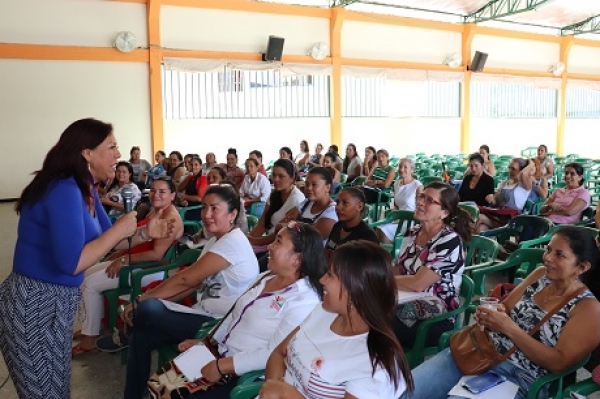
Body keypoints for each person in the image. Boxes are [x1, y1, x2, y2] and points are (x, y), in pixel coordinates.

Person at [0, 118, 172, 399]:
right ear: (87, 153)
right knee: (43, 393)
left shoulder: (84, 187)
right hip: (34, 303)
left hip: (58, 302)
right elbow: (72, 263)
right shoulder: (63, 189)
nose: (119, 154)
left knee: (56, 389)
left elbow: (105, 239)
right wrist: (120, 229)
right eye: (112, 146)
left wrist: (145, 233)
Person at [403, 226, 600, 399]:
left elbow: (559, 363)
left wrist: (508, 328)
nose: (547, 258)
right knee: (405, 391)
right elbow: (506, 306)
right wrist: (493, 314)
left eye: (560, 255)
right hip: (478, 351)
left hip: (517, 377)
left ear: (582, 267)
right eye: (548, 250)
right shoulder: (540, 276)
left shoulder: (588, 308)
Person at [121, 184, 259, 399]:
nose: (207, 215)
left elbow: (186, 278)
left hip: (215, 324)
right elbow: (192, 285)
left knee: (148, 308)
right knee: (142, 333)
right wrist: (155, 305)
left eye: (215, 209)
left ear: (232, 214)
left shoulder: (232, 243)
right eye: (204, 208)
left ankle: (130, 326)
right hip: (199, 314)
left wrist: (141, 302)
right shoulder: (216, 240)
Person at [160, 222, 326, 398]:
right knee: (161, 385)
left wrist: (221, 366)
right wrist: (207, 341)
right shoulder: (267, 277)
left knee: (173, 395)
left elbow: (272, 353)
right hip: (219, 352)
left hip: (240, 373)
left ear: (297, 259)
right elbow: (235, 314)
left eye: (278, 242)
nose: (270, 246)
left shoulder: (304, 301)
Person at [259, 241, 413, 399]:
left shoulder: (374, 365)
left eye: (330, 275)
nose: (322, 280)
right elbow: (278, 353)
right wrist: (273, 388)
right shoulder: (323, 312)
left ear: (354, 290)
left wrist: (285, 394)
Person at [75, 177, 184, 354]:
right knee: (85, 275)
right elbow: (138, 239)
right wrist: (120, 253)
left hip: (149, 270)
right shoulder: (154, 211)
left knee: (90, 285)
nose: (156, 194)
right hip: (134, 261)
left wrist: (124, 260)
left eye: (162, 191)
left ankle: (90, 338)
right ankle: (94, 325)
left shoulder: (170, 219)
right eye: (154, 190)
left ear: (172, 195)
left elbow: (157, 255)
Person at [393, 182, 473, 348]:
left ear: (444, 213)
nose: (420, 202)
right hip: (405, 298)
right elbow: (397, 269)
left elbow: (417, 284)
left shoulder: (449, 240)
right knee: (367, 308)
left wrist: (379, 281)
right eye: (422, 196)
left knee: (379, 323)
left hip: (437, 318)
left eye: (429, 200)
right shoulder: (413, 232)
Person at [247, 159, 305, 256]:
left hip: (281, 247)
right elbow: (262, 224)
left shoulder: (297, 200)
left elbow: (280, 234)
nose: (276, 179)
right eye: (274, 175)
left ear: (292, 178)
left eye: (281, 176)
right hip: (267, 241)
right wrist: (248, 239)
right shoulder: (275, 194)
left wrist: (253, 241)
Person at [477, 158, 534, 232]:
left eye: (513, 169)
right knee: (480, 228)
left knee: (479, 217)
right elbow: (495, 202)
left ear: (521, 170)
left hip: (511, 221)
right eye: (509, 168)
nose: (510, 171)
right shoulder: (505, 183)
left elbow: (524, 174)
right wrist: (491, 198)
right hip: (498, 216)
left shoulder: (525, 186)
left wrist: (531, 163)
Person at [376, 158, 423, 244]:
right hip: (398, 218)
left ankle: (390, 253)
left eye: (405, 167)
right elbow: (395, 205)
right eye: (400, 167)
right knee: (378, 228)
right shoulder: (396, 183)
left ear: (412, 170)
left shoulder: (417, 186)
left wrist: (401, 218)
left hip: (411, 220)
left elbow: (420, 208)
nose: (401, 170)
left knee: (383, 230)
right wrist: (394, 214)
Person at [325, 187, 378, 258]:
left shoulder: (367, 236)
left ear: (359, 206)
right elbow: (326, 251)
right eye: (337, 202)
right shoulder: (337, 226)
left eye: (345, 203)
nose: (338, 207)